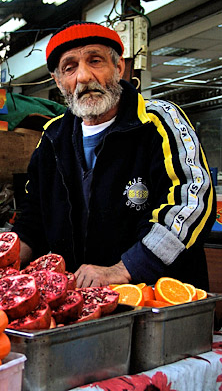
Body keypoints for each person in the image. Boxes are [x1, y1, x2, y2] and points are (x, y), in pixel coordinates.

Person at [12, 21, 216, 290]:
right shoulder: (52, 137)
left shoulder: (158, 121)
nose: (84, 76)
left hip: (156, 300)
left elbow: (192, 202)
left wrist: (125, 269)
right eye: (69, 67)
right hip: (78, 304)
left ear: (119, 68)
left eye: (95, 61)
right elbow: (33, 219)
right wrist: (1, 260)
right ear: (59, 82)